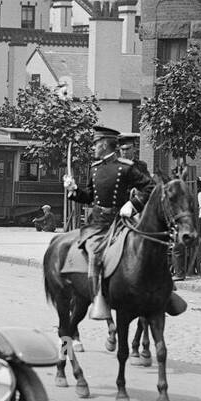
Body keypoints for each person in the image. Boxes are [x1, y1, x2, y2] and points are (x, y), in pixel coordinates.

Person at [64, 128, 154, 320]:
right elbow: (89, 196)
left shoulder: (126, 167)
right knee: (95, 255)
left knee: (144, 247)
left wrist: (133, 204)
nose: (94, 148)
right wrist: (74, 190)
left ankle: (160, 290)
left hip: (121, 220)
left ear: (104, 144)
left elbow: (150, 187)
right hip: (97, 223)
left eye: (96, 144)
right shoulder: (94, 168)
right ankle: (98, 298)